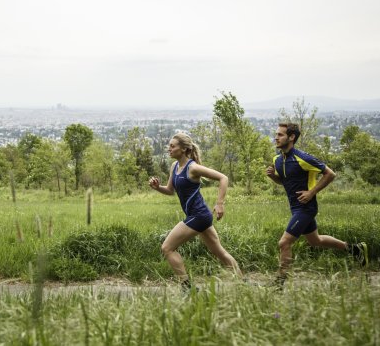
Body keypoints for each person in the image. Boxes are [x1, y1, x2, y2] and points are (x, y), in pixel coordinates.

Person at [266, 123, 368, 288]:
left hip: (306, 208)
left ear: (291, 137)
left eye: (280, 135)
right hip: (295, 207)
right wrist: (273, 178)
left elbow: (330, 174)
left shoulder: (303, 157)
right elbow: (285, 181)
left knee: (284, 243)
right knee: (316, 241)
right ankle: (355, 249)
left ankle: (280, 282)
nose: (276, 137)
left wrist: (311, 192)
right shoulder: (277, 159)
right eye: (276, 134)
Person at [149, 133, 242, 291]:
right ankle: (243, 284)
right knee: (219, 252)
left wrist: (220, 203)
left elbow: (223, 178)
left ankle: (187, 288)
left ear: (184, 149)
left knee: (167, 248)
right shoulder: (175, 167)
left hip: (198, 216)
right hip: (200, 216)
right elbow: (170, 190)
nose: (169, 149)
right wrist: (158, 188)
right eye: (169, 146)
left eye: (172, 146)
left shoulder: (193, 168)